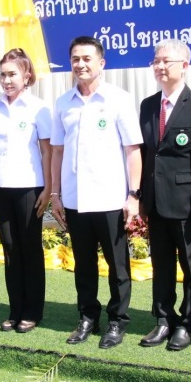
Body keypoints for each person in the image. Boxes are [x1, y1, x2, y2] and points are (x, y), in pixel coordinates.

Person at [50, 36, 142, 349]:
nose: (81, 64)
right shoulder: (63, 103)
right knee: (84, 264)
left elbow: (132, 150)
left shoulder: (118, 99)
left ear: (101, 62)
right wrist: (56, 194)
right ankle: (88, 316)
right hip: (75, 199)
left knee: (118, 267)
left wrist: (133, 195)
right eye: (75, 58)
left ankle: (117, 321)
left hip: (110, 198)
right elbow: (57, 152)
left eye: (87, 58)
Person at [138, 39, 191, 352]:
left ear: (184, 65)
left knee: (190, 265)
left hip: (186, 205)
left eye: (166, 61)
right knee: (161, 265)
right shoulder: (147, 105)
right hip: (156, 202)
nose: (159, 66)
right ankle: (162, 318)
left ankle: (187, 322)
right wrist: (141, 198)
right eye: (156, 61)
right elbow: (145, 155)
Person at [0, 48, 52, 333]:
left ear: (27, 76)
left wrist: (49, 188)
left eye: (12, 74)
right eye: (3, 74)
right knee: (10, 250)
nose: (7, 80)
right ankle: (15, 309)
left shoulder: (38, 109)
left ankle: (33, 311)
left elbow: (47, 152)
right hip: (0, 187)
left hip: (29, 187)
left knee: (29, 249)